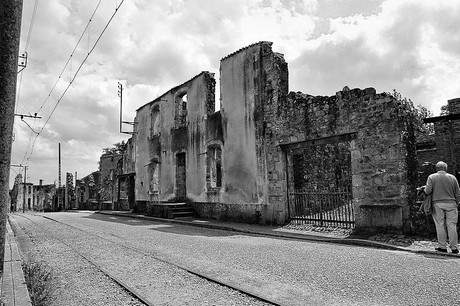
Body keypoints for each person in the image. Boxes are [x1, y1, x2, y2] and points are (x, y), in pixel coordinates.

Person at [425, 161, 460, 254]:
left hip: (437, 203)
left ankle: (442, 246)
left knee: (440, 225)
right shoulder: (453, 177)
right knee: (452, 225)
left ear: (436, 168)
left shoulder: (432, 177)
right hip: (451, 203)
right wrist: (457, 203)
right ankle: (454, 248)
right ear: (445, 168)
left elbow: (427, 191)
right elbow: (457, 193)